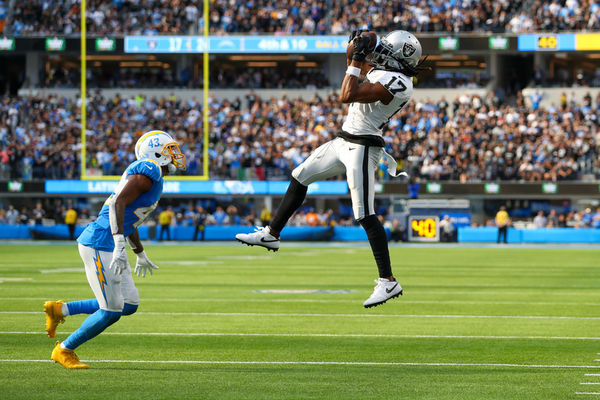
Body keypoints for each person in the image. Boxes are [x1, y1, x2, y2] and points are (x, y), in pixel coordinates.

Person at [236, 30, 425, 308]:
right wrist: (356, 46)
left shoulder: (399, 82)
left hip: (363, 147)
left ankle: (388, 281)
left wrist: (359, 57)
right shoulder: (386, 69)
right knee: (300, 175)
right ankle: (272, 234)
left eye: (387, 49)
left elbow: (347, 94)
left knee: (364, 214)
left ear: (398, 58)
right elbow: (352, 59)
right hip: (344, 140)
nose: (381, 51)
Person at [43, 130, 185, 369]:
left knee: (129, 304)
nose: (175, 154)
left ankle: (61, 309)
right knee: (111, 311)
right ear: (156, 152)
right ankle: (64, 349)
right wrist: (119, 242)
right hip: (100, 242)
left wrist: (140, 253)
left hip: (110, 242)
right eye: (170, 149)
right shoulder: (148, 169)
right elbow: (118, 203)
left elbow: (129, 219)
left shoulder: (154, 175)